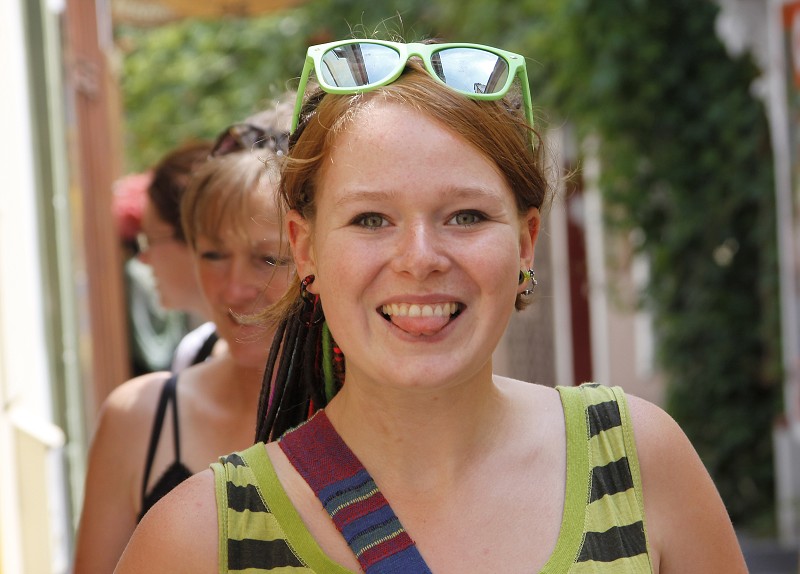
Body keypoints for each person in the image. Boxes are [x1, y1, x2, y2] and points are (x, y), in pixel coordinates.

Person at [115, 40, 747, 573]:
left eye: (465, 215)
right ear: (305, 250)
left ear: (526, 239)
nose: (420, 259)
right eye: (371, 219)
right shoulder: (199, 540)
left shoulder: (637, 462)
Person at [73, 109, 292, 573]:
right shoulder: (136, 417)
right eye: (213, 254)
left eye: (269, 259)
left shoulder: (380, 421)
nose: (234, 288)